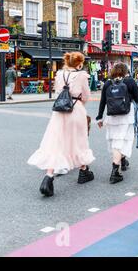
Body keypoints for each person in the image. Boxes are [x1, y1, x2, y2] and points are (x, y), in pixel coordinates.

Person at [28, 52, 95, 197]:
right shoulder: (82, 75)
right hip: (76, 109)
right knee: (79, 141)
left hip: (59, 111)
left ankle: (48, 177)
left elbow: (57, 91)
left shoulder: (59, 74)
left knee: (56, 143)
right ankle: (83, 170)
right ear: (79, 63)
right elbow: (86, 96)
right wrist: (79, 103)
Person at [96, 63, 138, 184]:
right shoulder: (130, 82)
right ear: (125, 71)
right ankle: (115, 171)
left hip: (112, 117)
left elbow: (103, 102)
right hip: (127, 116)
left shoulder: (108, 83)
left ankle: (122, 161)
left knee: (116, 141)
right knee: (125, 141)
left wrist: (99, 117)